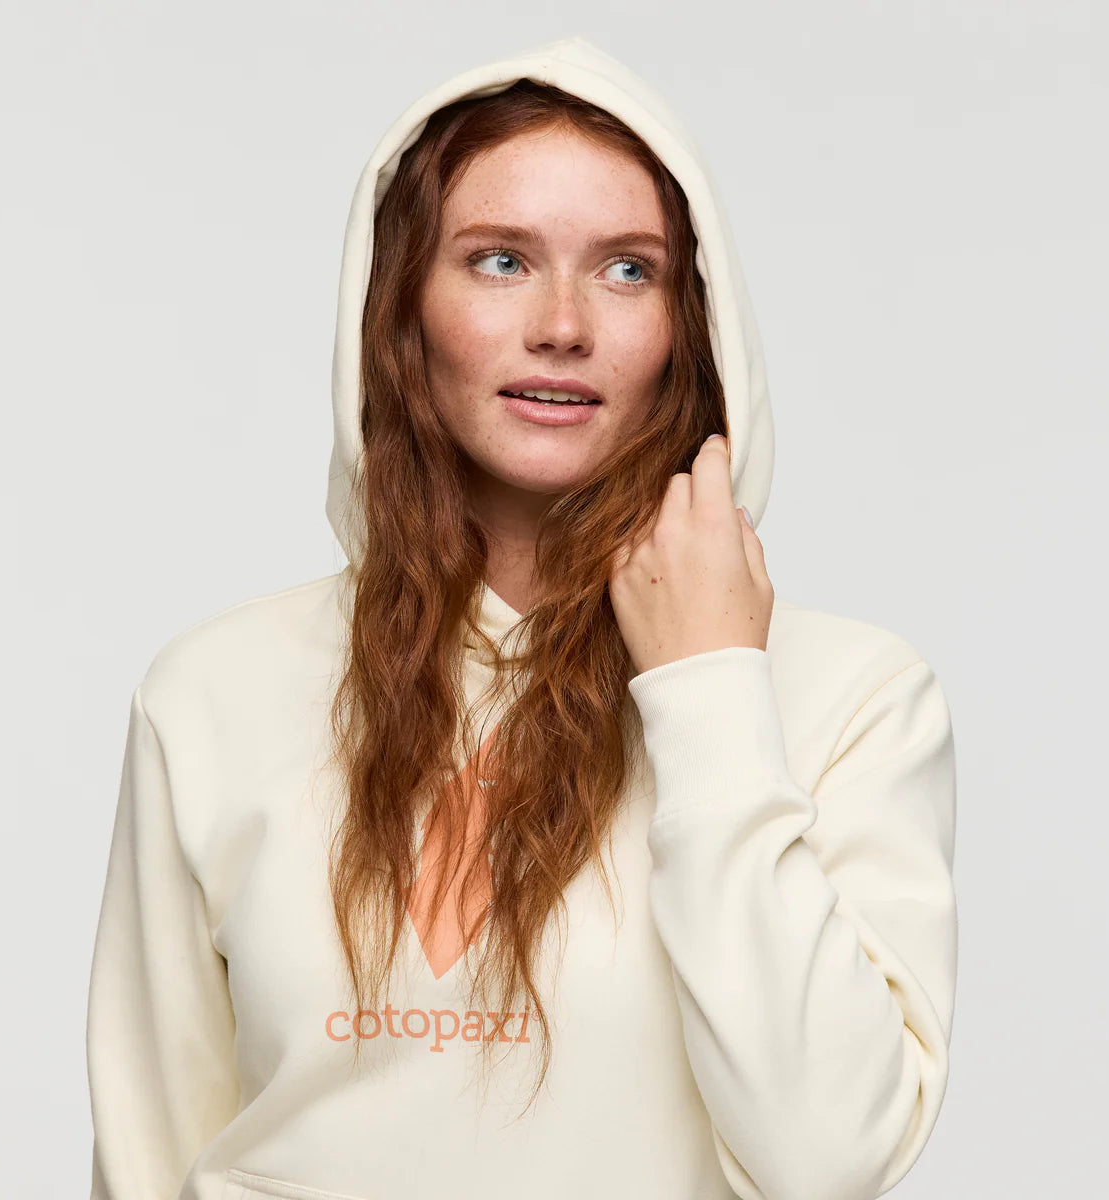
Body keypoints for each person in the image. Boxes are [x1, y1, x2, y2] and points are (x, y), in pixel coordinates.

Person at [86, 36, 958, 1200]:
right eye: (500, 260)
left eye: (628, 270)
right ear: (402, 307)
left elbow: (828, 1160)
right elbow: (146, 1153)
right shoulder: (216, 689)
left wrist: (708, 692)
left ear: (690, 326)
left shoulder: (847, 697)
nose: (563, 325)